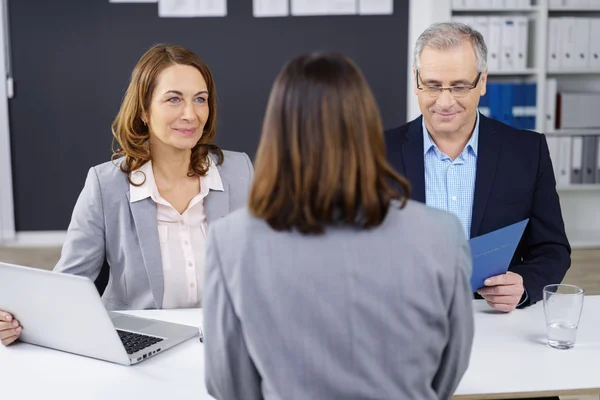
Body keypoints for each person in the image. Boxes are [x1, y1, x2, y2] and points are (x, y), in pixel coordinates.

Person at [202, 52, 474, 400]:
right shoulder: (442, 234)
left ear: (277, 134)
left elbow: (228, 385)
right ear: (366, 128)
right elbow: (448, 372)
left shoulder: (230, 242)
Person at [0, 44, 253, 346]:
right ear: (144, 110)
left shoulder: (239, 171)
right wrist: (16, 323)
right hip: (141, 341)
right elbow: (67, 283)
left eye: (200, 99)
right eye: (174, 99)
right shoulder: (106, 184)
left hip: (226, 340)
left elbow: (265, 265)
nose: (191, 114)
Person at [385, 22, 571, 314]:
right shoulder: (375, 153)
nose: (445, 102)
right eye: (432, 86)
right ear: (416, 80)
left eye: (459, 86)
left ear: (482, 81)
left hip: (493, 319)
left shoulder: (526, 151)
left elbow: (552, 249)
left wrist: (523, 287)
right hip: (403, 316)